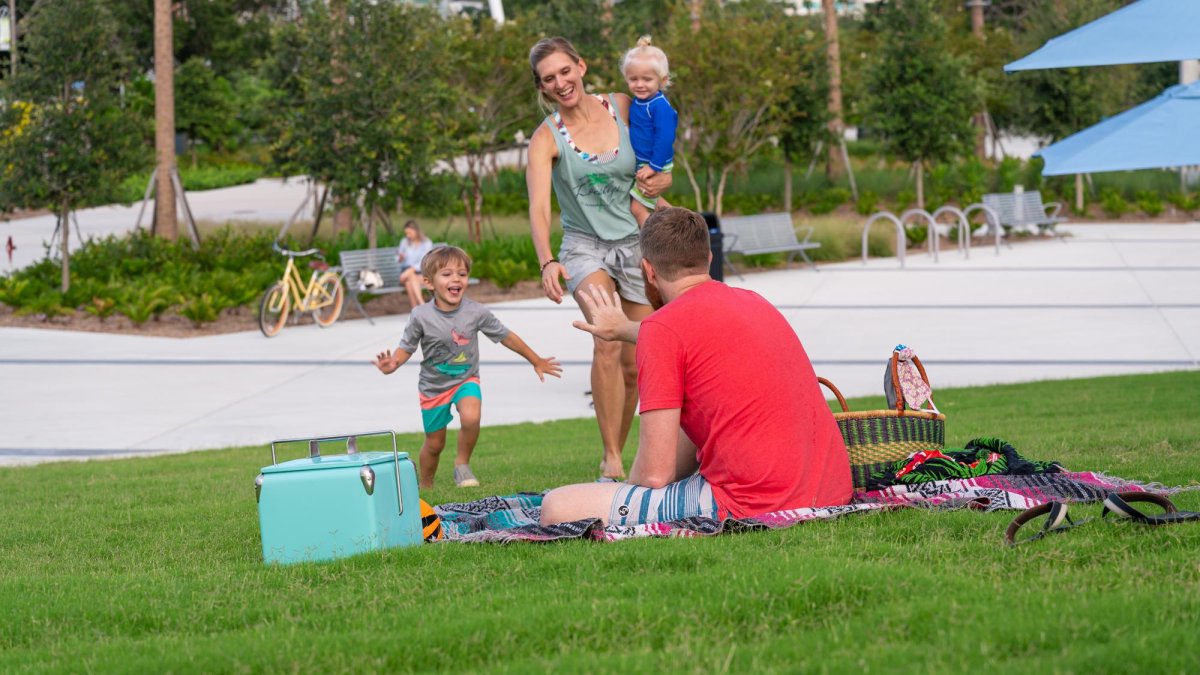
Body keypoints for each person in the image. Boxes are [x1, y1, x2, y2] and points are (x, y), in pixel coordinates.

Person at [539, 207, 852, 526]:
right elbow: (687, 331)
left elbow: (654, 474)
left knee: (556, 506)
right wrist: (626, 329)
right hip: (831, 488)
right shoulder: (752, 300)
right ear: (709, 259)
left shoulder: (662, 331)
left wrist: (627, 493)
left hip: (758, 501)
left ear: (648, 270)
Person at [526, 36, 673, 480]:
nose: (561, 82)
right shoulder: (545, 138)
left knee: (637, 357)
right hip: (584, 246)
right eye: (550, 78)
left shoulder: (624, 106)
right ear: (543, 86)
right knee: (606, 340)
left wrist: (663, 179)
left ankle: (627, 448)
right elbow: (538, 207)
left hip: (635, 241)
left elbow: (657, 157)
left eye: (565, 71)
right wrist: (547, 261)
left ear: (581, 66)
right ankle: (611, 457)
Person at [373, 246, 562, 489]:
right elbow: (406, 348)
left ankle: (462, 464)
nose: (456, 279)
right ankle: (426, 484)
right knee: (434, 444)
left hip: (466, 379)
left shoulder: (476, 312)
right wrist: (393, 364)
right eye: (447, 274)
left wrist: (536, 360)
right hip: (433, 388)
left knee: (471, 416)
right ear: (429, 283)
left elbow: (506, 336)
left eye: (462, 274)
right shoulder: (420, 315)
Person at [621, 36, 677, 227]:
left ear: (662, 80)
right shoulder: (638, 101)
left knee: (637, 209)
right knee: (657, 204)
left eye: (647, 79)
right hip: (644, 162)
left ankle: (661, 244)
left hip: (654, 163)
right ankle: (686, 227)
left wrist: (654, 166)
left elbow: (665, 138)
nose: (639, 84)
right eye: (633, 79)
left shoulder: (659, 106)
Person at [397, 220, 433, 308]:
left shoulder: (426, 243)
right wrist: (400, 258)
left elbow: (425, 261)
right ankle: (421, 304)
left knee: (409, 283)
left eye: (409, 233)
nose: (407, 235)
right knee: (410, 276)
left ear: (416, 231)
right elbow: (398, 259)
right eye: (406, 233)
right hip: (405, 272)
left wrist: (412, 269)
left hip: (420, 273)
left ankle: (415, 311)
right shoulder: (404, 242)